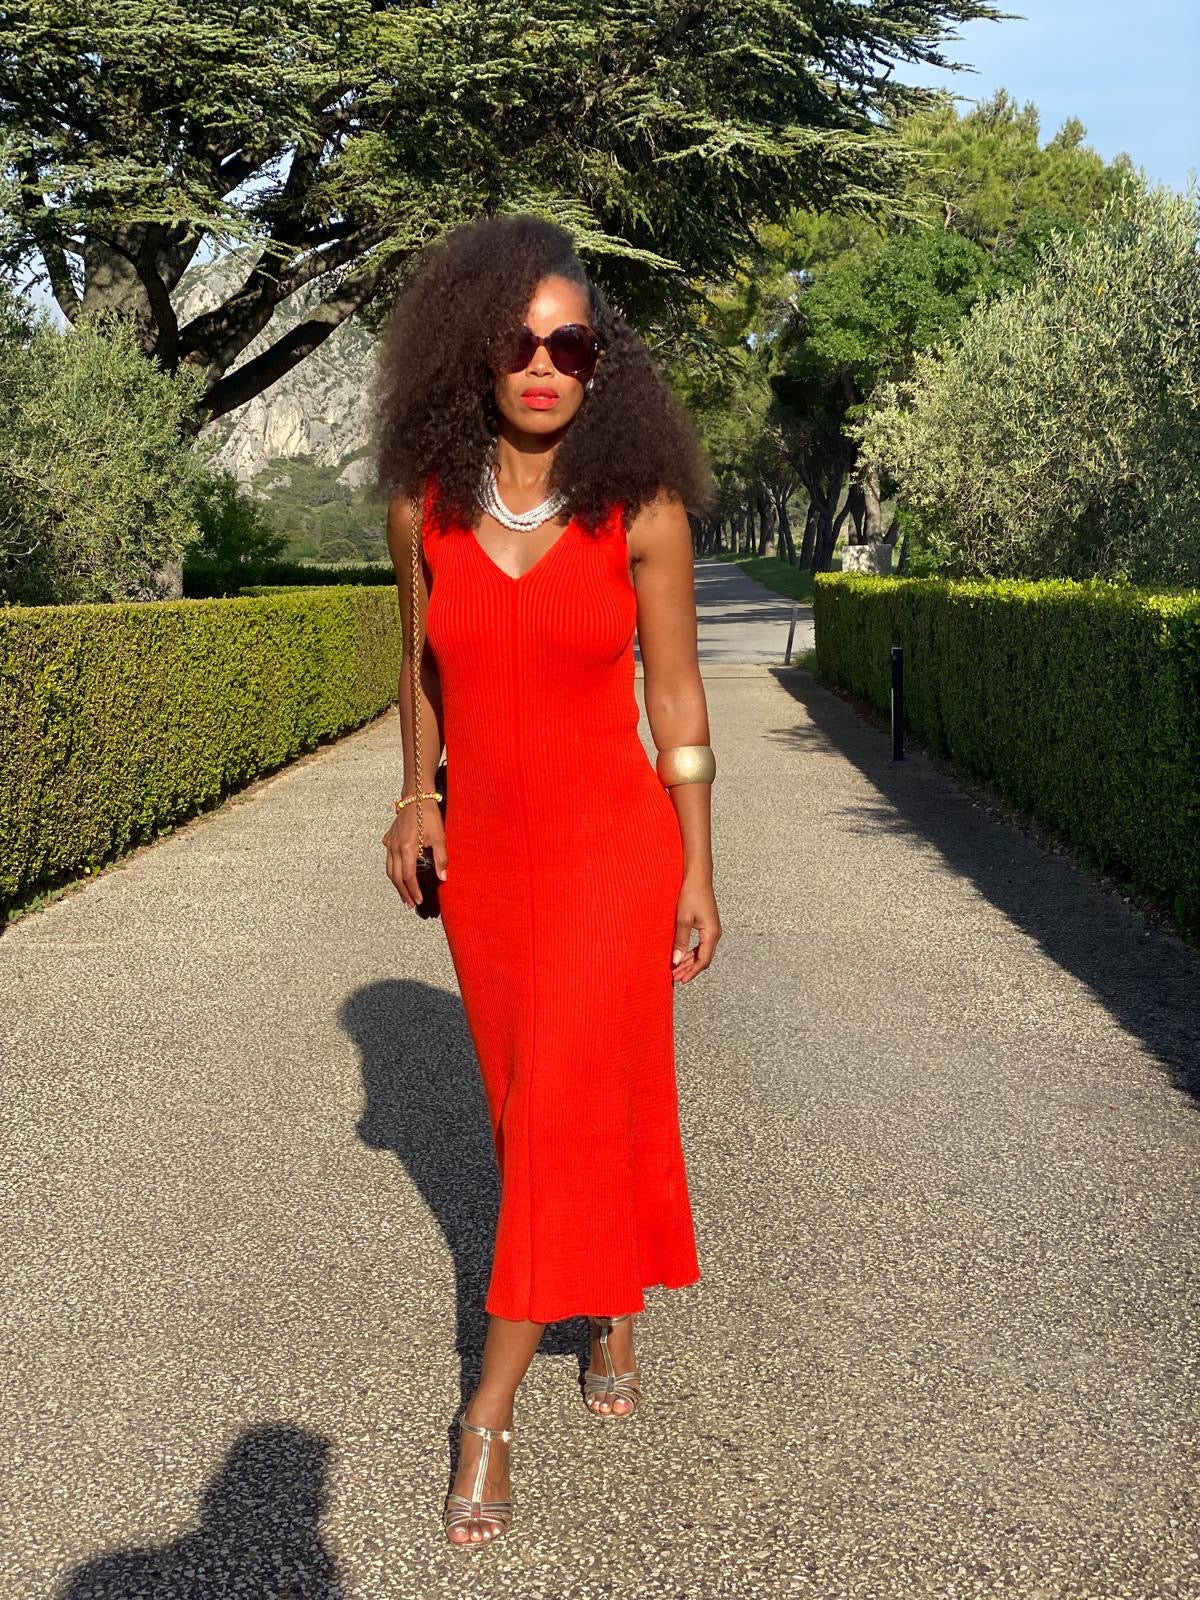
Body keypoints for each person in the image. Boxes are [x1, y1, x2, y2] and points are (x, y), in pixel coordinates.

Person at [373, 213, 721, 1548]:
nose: (542, 365)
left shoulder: (643, 513)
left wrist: (699, 864)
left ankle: (489, 1410)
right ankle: (610, 1301)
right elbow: (420, 671)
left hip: (614, 853)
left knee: (568, 1090)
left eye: (569, 346)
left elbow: (677, 699)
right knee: (534, 1113)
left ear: (599, 364)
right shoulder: (425, 510)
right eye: (519, 342)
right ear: (474, 352)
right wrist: (416, 796)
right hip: (491, 870)